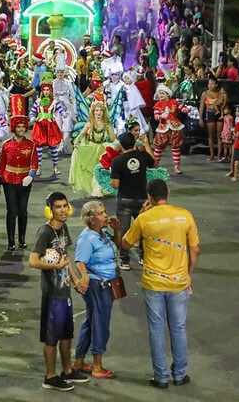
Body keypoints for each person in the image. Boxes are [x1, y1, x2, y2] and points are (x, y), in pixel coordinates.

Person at [121, 180, 200, 389]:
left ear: (149, 197)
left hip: (153, 283)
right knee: (179, 328)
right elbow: (195, 250)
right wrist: (188, 274)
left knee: (156, 329)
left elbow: (125, 244)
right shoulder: (185, 215)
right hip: (179, 282)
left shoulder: (144, 219)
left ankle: (161, 377)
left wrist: (140, 214)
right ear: (168, 193)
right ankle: (180, 374)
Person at [27, 192, 89, 392]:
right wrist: (54, 267)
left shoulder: (63, 229)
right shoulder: (44, 232)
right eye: (58, 207)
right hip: (52, 294)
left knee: (66, 334)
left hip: (65, 291)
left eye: (65, 206)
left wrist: (76, 279)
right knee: (51, 336)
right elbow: (33, 261)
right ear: (50, 210)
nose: (63, 210)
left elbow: (65, 258)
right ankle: (50, 376)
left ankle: (68, 370)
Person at [72, 201, 121, 380]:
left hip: (106, 283)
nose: (105, 215)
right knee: (100, 323)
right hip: (97, 286)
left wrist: (116, 230)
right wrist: (84, 277)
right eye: (101, 213)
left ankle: (79, 361)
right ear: (91, 219)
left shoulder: (104, 233)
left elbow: (119, 245)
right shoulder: (87, 238)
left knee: (91, 321)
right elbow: (79, 261)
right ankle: (97, 366)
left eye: (105, 212)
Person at [0, 97, 37, 251]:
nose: (20, 129)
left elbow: (34, 163)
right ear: (14, 127)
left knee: (23, 211)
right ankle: (11, 241)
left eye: (23, 126)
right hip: (9, 180)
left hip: (25, 181)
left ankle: (22, 239)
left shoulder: (31, 145)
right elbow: (2, 164)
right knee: (11, 211)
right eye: (18, 126)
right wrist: (0, 181)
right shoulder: (6, 144)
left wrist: (31, 175)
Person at [110, 131, 156, 269]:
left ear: (121, 145)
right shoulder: (142, 156)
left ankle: (124, 261)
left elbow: (115, 184)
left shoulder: (117, 161)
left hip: (124, 200)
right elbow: (153, 163)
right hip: (142, 199)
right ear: (134, 143)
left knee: (124, 230)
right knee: (143, 230)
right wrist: (147, 144)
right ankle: (143, 257)